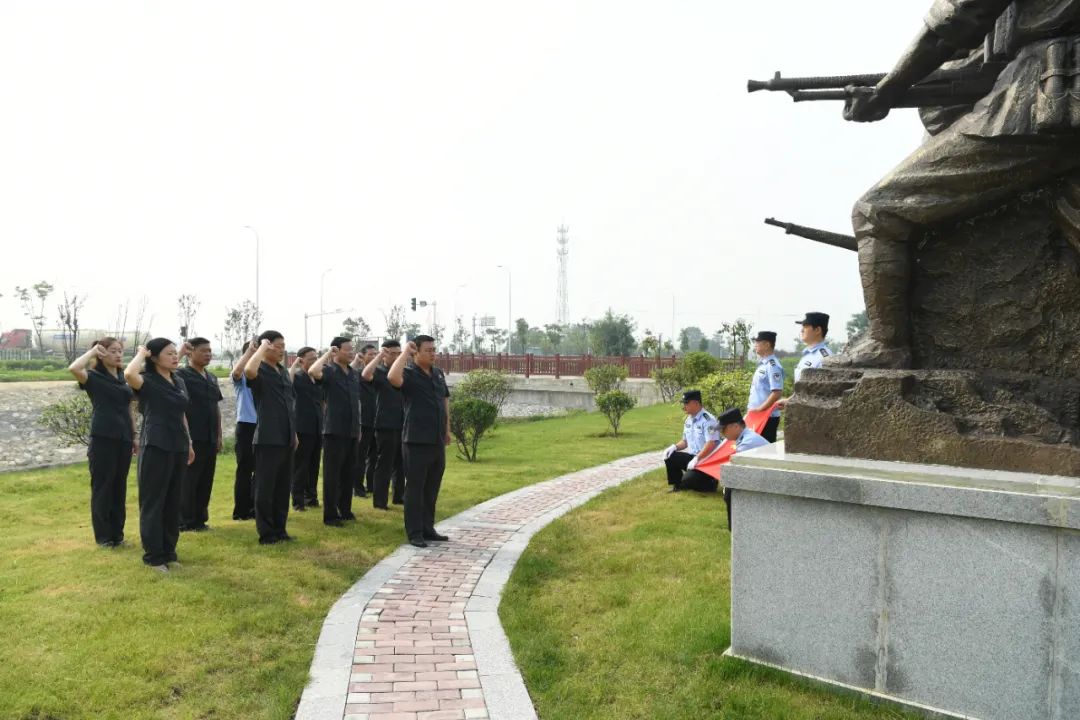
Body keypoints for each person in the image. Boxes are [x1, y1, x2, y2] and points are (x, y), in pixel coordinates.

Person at [841, 0, 1080, 368]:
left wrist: (886, 92)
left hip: (1048, 98)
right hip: (1053, 87)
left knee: (879, 210)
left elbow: (955, 21)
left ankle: (886, 346)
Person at [124, 338, 195, 573]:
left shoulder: (179, 381)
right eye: (169, 353)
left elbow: (182, 413)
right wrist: (141, 353)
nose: (175, 357)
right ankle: (154, 557)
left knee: (173, 502)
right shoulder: (148, 380)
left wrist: (190, 442)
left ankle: (169, 551)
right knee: (154, 502)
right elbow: (128, 373)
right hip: (155, 445)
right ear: (154, 358)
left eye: (176, 353)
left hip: (179, 445)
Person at [68, 337, 135, 548]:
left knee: (119, 487)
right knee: (103, 487)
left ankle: (118, 534)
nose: (118, 354)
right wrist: (92, 352)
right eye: (112, 350)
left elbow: (129, 408)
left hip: (123, 438)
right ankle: (104, 537)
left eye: (120, 350)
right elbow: (74, 367)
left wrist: (134, 436)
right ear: (101, 353)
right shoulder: (93, 377)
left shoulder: (123, 379)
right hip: (103, 438)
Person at [388, 335, 451, 548]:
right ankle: (414, 532)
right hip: (415, 440)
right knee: (414, 488)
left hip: (436, 439)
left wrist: (447, 430)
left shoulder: (438, 374)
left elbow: (444, 402)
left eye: (435, 350)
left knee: (432, 487)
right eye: (429, 350)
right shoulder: (408, 373)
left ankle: (428, 528)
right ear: (417, 352)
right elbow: (391, 377)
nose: (433, 353)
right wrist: (405, 352)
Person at [244, 331, 297, 545]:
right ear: (266, 347)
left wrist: (293, 434)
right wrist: (261, 348)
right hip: (268, 437)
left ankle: (280, 528)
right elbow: (248, 370)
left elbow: (289, 405)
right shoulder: (260, 369)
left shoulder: (283, 372)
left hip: (286, 436)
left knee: (283, 486)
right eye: (278, 345)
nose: (282, 349)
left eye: (284, 345)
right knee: (266, 487)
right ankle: (266, 532)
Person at [309, 337, 361, 526]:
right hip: (334, 431)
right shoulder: (329, 371)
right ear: (336, 351)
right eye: (347, 350)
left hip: (352, 431)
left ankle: (345, 509)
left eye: (352, 349)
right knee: (332, 475)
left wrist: (359, 428)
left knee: (348, 473)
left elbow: (356, 403)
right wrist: (327, 355)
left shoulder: (353, 374)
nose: (351, 352)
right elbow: (313, 371)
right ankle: (330, 515)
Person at [176, 338, 222, 532]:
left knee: (206, 478)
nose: (208, 354)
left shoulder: (211, 377)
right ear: (190, 353)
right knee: (189, 479)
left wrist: (219, 434)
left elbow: (216, 407)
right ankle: (185, 520)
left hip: (210, 436)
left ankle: (200, 519)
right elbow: (180, 408)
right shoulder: (182, 375)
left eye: (210, 351)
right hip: (193, 435)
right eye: (203, 351)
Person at [362, 339, 405, 510]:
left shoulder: (403, 372)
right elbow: (365, 374)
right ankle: (380, 501)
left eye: (398, 354)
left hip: (403, 423)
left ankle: (399, 496)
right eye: (392, 353)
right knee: (385, 463)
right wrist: (380, 355)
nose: (395, 357)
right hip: (385, 424)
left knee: (401, 464)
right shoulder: (379, 372)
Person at [714, 407, 769, 530]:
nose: (722, 433)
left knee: (729, 491)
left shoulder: (747, 443)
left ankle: (735, 529)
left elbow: (735, 471)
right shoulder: (745, 437)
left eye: (724, 429)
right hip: (762, 477)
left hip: (766, 482)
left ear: (735, 426)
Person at [661, 390, 718, 491]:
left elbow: (711, 443)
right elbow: (685, 441)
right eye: (684, 403)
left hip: (705, 460)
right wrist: (674, 447)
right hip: (693, 457)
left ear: (696, 403)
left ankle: (711, 483)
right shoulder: (689, 419)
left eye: (686, 403)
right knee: (670, 456)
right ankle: (677, 486)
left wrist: (697, 458)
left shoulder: (709, 420)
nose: (684, 406)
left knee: (688, 481)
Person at [289, 347, 322, 511]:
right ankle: (298, 500)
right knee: (301, 466)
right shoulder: (298, 377)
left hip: (318, 427)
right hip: (303, 427)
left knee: (314, 465)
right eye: (310, 358)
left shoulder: (317, 378)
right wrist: (295, 364)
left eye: (316, 358)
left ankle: (312, 497)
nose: (314, 361)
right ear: (301, 360)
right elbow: (287, 382)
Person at [231, 339, 259, 520]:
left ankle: (256, 507)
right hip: (247, 425)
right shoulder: (242, 376)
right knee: (245, 468)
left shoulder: (264, 374)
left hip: (264, 425)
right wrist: (249, 352)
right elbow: (236, 372)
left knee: (262, 469)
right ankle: (241, 510)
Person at [746, 330, 784, 442]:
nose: (755, 345)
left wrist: (760, 410)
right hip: (757, 415)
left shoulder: (773, 365)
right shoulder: (763, 364)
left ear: (767, 344)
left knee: (765, 451)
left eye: (758, 342)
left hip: (767, 417)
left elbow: (777, 392)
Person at [354, 343, 379, 498]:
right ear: (362, 356)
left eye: (375, 354)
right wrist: (356, 360)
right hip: (363, 421)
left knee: (375, 456)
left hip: (378, 421)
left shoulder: (380, 374)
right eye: (370, 354)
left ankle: (372, 485)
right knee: (360, 456)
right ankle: (357, 487)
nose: (374, 356)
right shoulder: (357, 373)